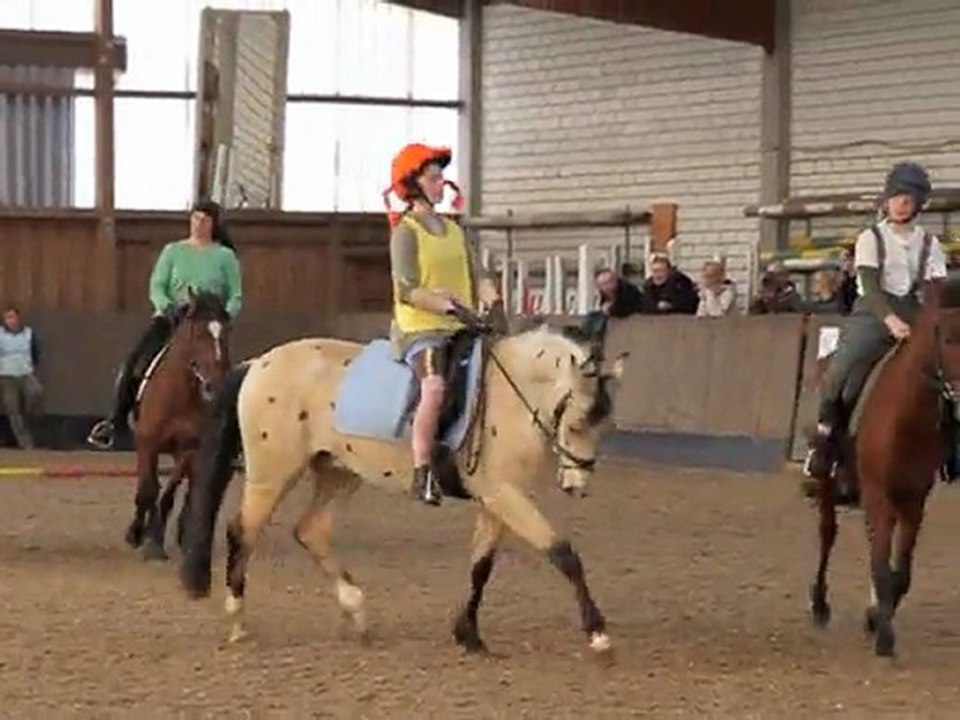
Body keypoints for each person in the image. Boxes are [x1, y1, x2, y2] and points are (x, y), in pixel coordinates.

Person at [804, 161, 947, 480]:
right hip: (873, 312)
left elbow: (934, 287)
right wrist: (890, 320)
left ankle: (949, 447)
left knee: (947, 373)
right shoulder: (870, 237)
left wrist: (928, 318)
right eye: (896, 197)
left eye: (908, 199)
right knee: (842, 371)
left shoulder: (930, 244)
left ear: (919, 205)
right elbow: (869, 284)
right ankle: (825, 441)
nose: (900, 204)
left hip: (913, 310)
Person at [386, 142, 499, 506]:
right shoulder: (405, 232)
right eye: (434, 179)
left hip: (462, 324)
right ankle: (422, 471)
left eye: (440, 178)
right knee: (433, 387)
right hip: (421, 328)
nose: (441, 184)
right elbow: (406, 288)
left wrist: (491, 297)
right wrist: (445, 306)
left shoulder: (454, 230)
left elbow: (477, 271)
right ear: (415, 185)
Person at [86, 199, 243, 450]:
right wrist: (165, 306)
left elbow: (236, 294)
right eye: (195, 219)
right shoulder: (173, 251)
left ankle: (232, 436)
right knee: (134, 362)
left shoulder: (224, 256)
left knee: (224, 373)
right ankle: (114, 421)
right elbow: (157, 285)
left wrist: (224, 317)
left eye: (205, 220)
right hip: (172, 318)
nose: (199, 224)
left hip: (208, 324)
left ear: (213, 224)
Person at [0, 305, 44, 449]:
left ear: (18, 318)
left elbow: (36, 353)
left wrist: (30, 366)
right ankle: (25, 442)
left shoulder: (29, 334)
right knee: (13, 409)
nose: (10, 321)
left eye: (12, 317)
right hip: (6, 376)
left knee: (36, 393)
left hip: (26, 373)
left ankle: (31, 423)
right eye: (7, 318)